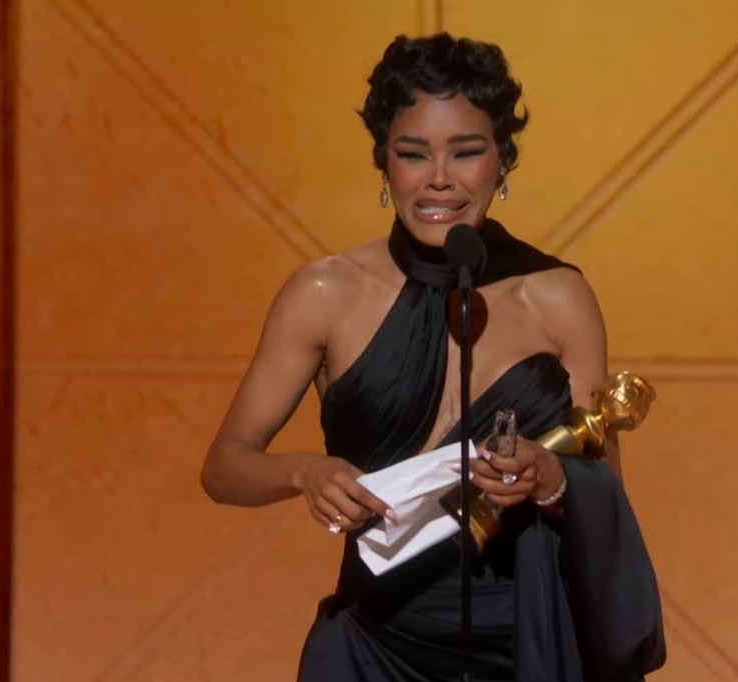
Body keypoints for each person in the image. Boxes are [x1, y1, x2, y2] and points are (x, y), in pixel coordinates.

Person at [201, 32, 665, 681]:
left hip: (523, 651)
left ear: (501, 162)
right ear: (384, 164)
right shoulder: (324, 294)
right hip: (372, 648)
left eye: (466, 153)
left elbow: (605, 496)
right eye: (413, 154)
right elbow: (225, 467)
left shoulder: (558, 298)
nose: (439, 179)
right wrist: (305, 472)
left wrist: (549, 478)